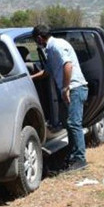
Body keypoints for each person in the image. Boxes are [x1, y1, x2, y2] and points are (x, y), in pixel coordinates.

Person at [31, 25, 89, 172]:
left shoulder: (56, 46)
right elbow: (48, 71)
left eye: (36, 41)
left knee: (74, 123)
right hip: (71, 89)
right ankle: (72, 156)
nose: (37, 44)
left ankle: (80, 159)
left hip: (75, 88)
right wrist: (30, 78)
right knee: (69, 124)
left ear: (39, 38)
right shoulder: (50, 50)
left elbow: (67, 66)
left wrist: (65, 87)